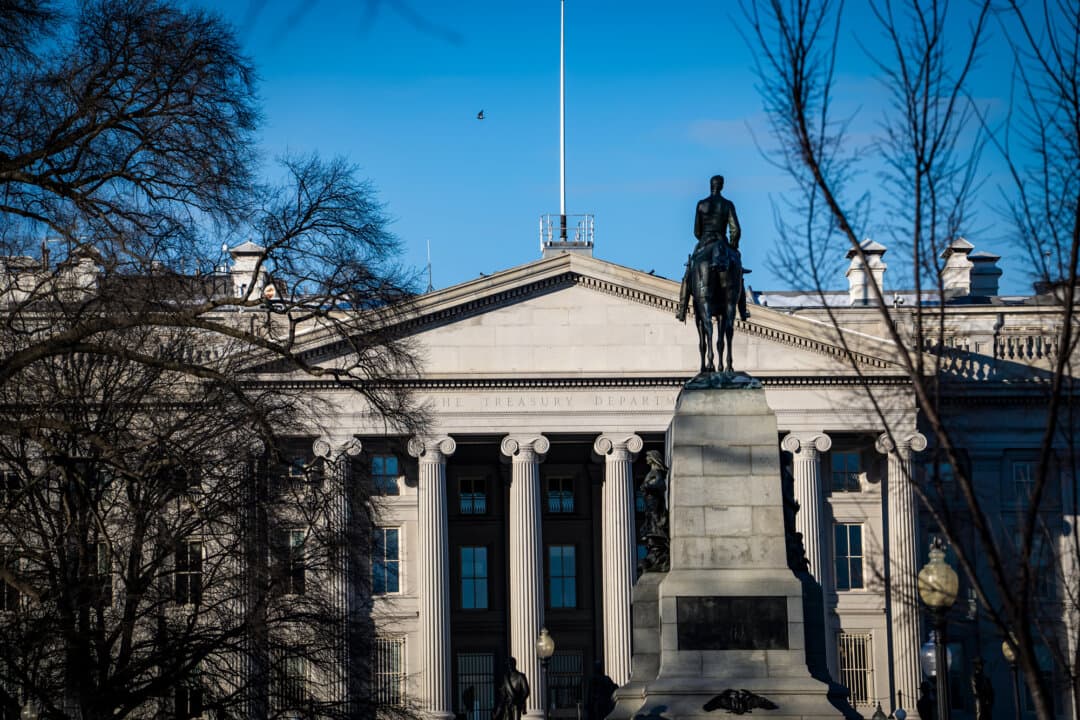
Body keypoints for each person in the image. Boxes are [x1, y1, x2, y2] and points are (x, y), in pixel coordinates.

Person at [676, 175, 750, 324]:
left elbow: (696, 231)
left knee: (689, 273)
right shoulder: (727, 204)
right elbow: (735, 230)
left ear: (711, 186)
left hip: (704, 241)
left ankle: (682, 309)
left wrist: (703, 238)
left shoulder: (701, 205)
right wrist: (733, 247)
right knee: (738, 272)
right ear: (721, 186)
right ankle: (742, 311)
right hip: (722, 242)